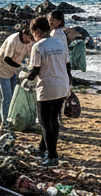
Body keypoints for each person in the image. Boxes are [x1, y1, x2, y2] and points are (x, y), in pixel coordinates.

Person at [24, 15, 69, 166]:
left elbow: (35, 69)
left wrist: (25, 79)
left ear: (37, 31)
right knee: (53, 119)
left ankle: (52, 155)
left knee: (44, 121)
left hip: (47, 87)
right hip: (62, 85)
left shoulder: (38, 47)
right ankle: (42, 148)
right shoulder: (59, 42)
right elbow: (66, 64)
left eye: (33, 33)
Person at [0, 27, 32, 125]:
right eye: (29, 38)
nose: (29, 41)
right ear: (24, 34)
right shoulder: (13, 40)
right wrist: (21, 67)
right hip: (1, 69)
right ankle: (5, 122)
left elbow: (28, 56)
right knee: (6, 98)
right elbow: (7, 59)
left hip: (13, 71)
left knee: (10, 97)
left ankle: (0, 119)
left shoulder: (28, 42)